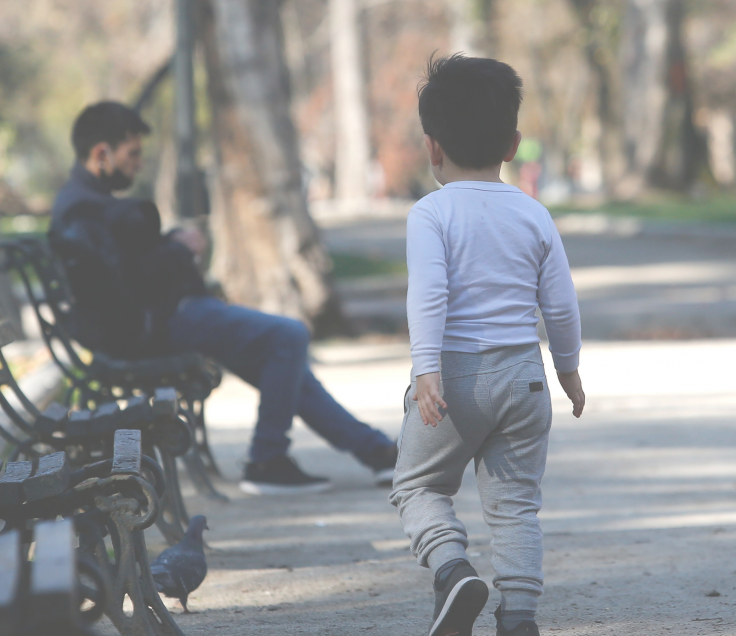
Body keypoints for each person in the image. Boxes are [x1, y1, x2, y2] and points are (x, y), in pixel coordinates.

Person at [49, 101, 398, 496]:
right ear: (101, 154)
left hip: (164, 319)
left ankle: (377, 453)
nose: (138, 164)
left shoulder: (82, 205)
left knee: (283, 356)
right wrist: (179, 249)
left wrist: (170, 246)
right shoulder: (81, 211)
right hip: (156, 327)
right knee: (288, 336)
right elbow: (123, 282)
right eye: (132, 154)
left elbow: (122, 270)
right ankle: (267, 460)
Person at [388, 55, 585, 636]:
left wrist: (426, 370)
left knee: (418, 484)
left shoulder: (431, 213)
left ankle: (453, 572)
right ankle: (519, 615)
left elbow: (427, 294)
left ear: (431, 147)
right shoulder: (533, 213)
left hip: (454, 377)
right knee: (517, 503)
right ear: (513, 144)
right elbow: (562, 304)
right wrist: (568, 371)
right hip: (524, 376)